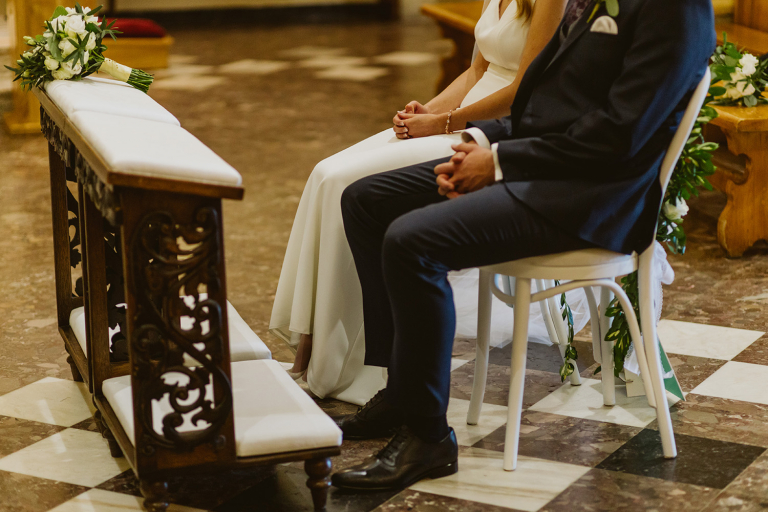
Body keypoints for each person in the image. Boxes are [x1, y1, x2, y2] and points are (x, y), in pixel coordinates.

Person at [332, 0, 715, 491]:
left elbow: (619, 136)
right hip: (548, 168)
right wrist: (480, 141)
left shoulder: (676, 8)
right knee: (366, 200)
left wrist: (499, 164)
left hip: (593, 200)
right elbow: (552, 105)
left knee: (413, 242)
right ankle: (403, 393)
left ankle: (427, 436)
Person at [270, 0, 574, 404]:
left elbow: (524, 90)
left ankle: (365, 368)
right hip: (458, 119)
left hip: (493, 131)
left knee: (345, 183)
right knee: (325, 172)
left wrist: (443, 123)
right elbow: (477, 72)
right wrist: (429, 112)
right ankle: (320, 350)